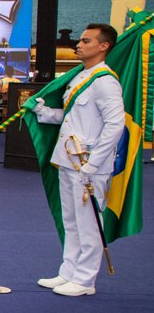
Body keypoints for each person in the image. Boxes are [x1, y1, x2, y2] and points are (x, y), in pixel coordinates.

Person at [32, 24, 125, 297]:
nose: (79, 45)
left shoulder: (105, 81)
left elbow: (115, 125)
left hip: (89, 163)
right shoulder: (80, 77)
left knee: (89, 223)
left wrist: (94, 164)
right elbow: (73, 117)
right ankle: (68, 271)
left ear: (103, 46)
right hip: (68, 159)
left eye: (86, 41)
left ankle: (85, 280)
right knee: (70, 220)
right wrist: (44, 112)